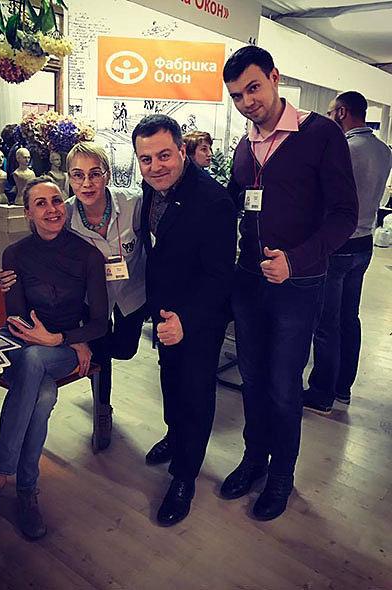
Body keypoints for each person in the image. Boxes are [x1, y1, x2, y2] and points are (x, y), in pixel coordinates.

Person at [221, 46, 358, 521]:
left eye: (253, 88)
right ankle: (254, 459)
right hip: (248, 281)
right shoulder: (244, 146)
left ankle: (281, 474)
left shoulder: (319, 133)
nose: (247, 102)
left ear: (275, 78)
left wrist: (295, 262)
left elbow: (345, 215)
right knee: (252, 378)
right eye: (237, 96)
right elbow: (235, 202)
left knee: (282, 384)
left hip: (297, 285)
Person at [0, 177, 108, 549]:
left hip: (61, 348)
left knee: (34, 361)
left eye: (56, 201)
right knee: (42, 393)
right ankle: (26, 489)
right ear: (28, 212)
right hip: (21, 341)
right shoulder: (14, 254)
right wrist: (44, 337)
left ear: (65, 205)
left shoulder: (88, 255)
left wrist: (65, 339)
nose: (51, 209)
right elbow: (16, 318)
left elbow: (101, 323)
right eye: (40, 203)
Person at [0, 142, 147, 451]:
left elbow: (154, 242)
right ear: (69, 178)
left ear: (107, 175)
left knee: (124, 350)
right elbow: (39, 249)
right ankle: (102, 409)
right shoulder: (62, 212)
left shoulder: (133, 204)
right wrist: (11, 276)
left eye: (95, 174)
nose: (86, 183)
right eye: (78, 175)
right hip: (91, 299)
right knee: (99, 348)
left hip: (131, 292)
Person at [132, 114, 236, 526]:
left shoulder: (214, 201)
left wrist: (186, 320)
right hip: (164, 312)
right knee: (170, 382)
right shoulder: (151, 188)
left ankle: (184, 476)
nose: (155, 166)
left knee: (195, 393)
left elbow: (220, 277)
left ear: (181, 151)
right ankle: (175, 437)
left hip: (199, 317)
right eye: (146, 159)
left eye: (163, 155)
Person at [304, 91, 392, 414]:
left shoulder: (343, 148)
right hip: (364, 243)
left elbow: (322, 195)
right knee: (348, 318)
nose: (330, 118)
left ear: (342, 112)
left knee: (326, 322)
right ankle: (342, 387)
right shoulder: (384, 151)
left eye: (331, 113)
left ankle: (321, 393)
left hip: (338, 243)